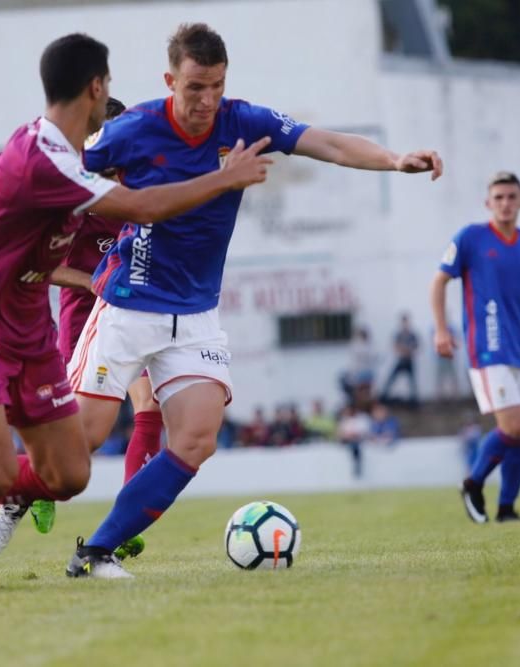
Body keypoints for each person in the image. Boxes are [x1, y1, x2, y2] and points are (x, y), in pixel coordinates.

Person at [0, 32, 274, 595]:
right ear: (96, 89)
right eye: (109, 86)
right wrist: (226, 177)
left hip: (32, 329)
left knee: (68, 474)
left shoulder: (70, 159)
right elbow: (140, 206)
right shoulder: (50, 161)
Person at [44, 22, 439, 578]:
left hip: (196, 313)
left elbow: (325, 142)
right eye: (195, 88)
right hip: (129, 304)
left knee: (196, 438)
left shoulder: (243, 121)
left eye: (217, 87)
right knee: (78, 445)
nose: (207, 101)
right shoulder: (132, 130)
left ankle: (95, 552)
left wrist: (394, 160)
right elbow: (52, 173)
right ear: (169, 81)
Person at [0, 97, 160, 560]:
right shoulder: (68, 194)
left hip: (140, 312)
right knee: (73, 436)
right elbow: (32, 260)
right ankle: (16, 501)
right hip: (86, 316)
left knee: (149, 403)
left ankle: (126, 520)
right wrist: (95, 283)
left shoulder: (143, 186)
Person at [432, 171, 520, 524]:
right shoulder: (471, 238)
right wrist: (441, 329)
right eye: (498, 197)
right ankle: (472, 482)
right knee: (511, 426)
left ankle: (507, 508)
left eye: (512, 197)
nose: (505, 203)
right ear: (488, 203)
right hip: (488, 348)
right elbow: (438, 282)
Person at [380, 312, 420, 407]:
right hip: (401, 361)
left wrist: (407, 350)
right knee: (391, 379)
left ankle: (414, 401)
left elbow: (416, 347)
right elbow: (395, 347)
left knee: (412, 382)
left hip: (409, 361)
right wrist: (405, 349)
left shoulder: (412, 334)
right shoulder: (398, 334)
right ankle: (383, 397)